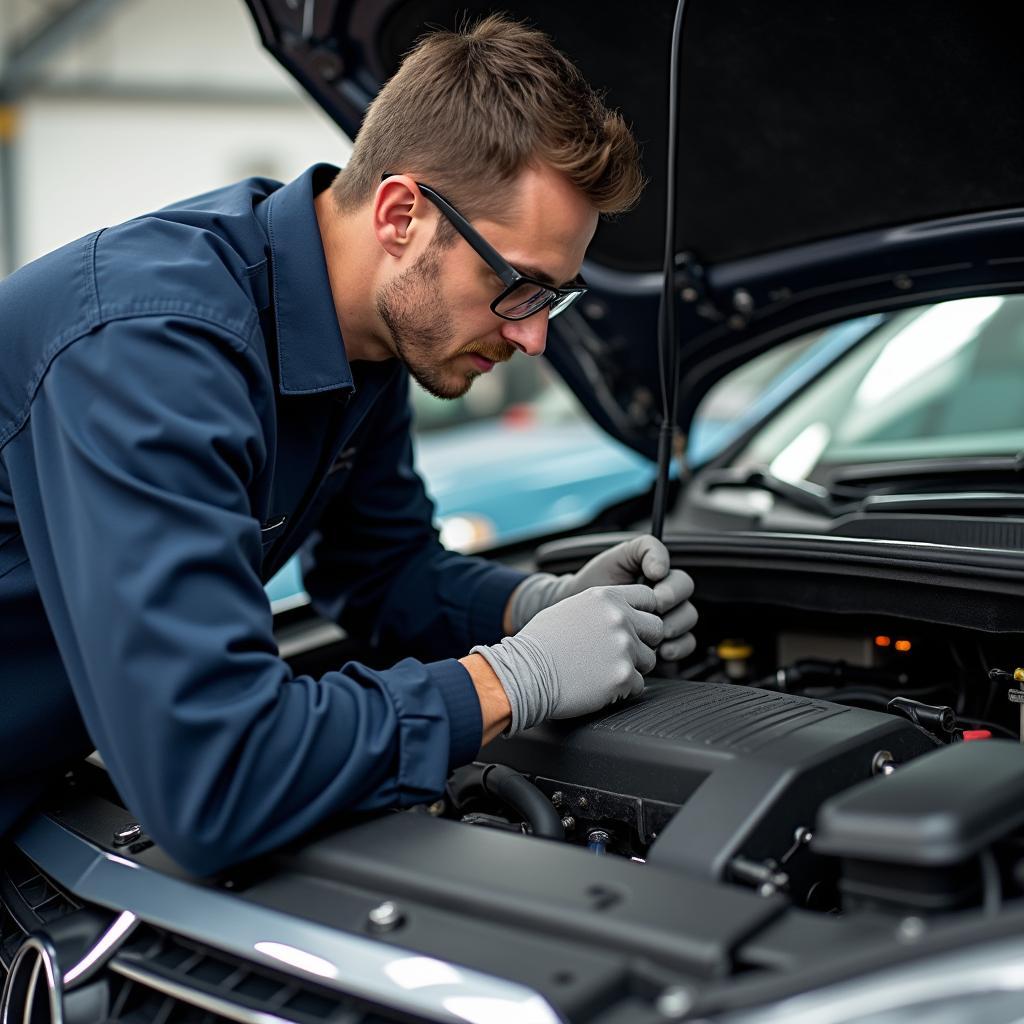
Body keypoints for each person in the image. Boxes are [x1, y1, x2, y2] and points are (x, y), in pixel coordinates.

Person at [0, 15, 697, 874]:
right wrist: (512, 682)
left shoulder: (368, 335)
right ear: (402, 214)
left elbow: (381, 574)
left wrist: (537, 608)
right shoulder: (148, 350)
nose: (533, 340)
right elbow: (217, 779)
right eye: (518, 287)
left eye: (552, 300)